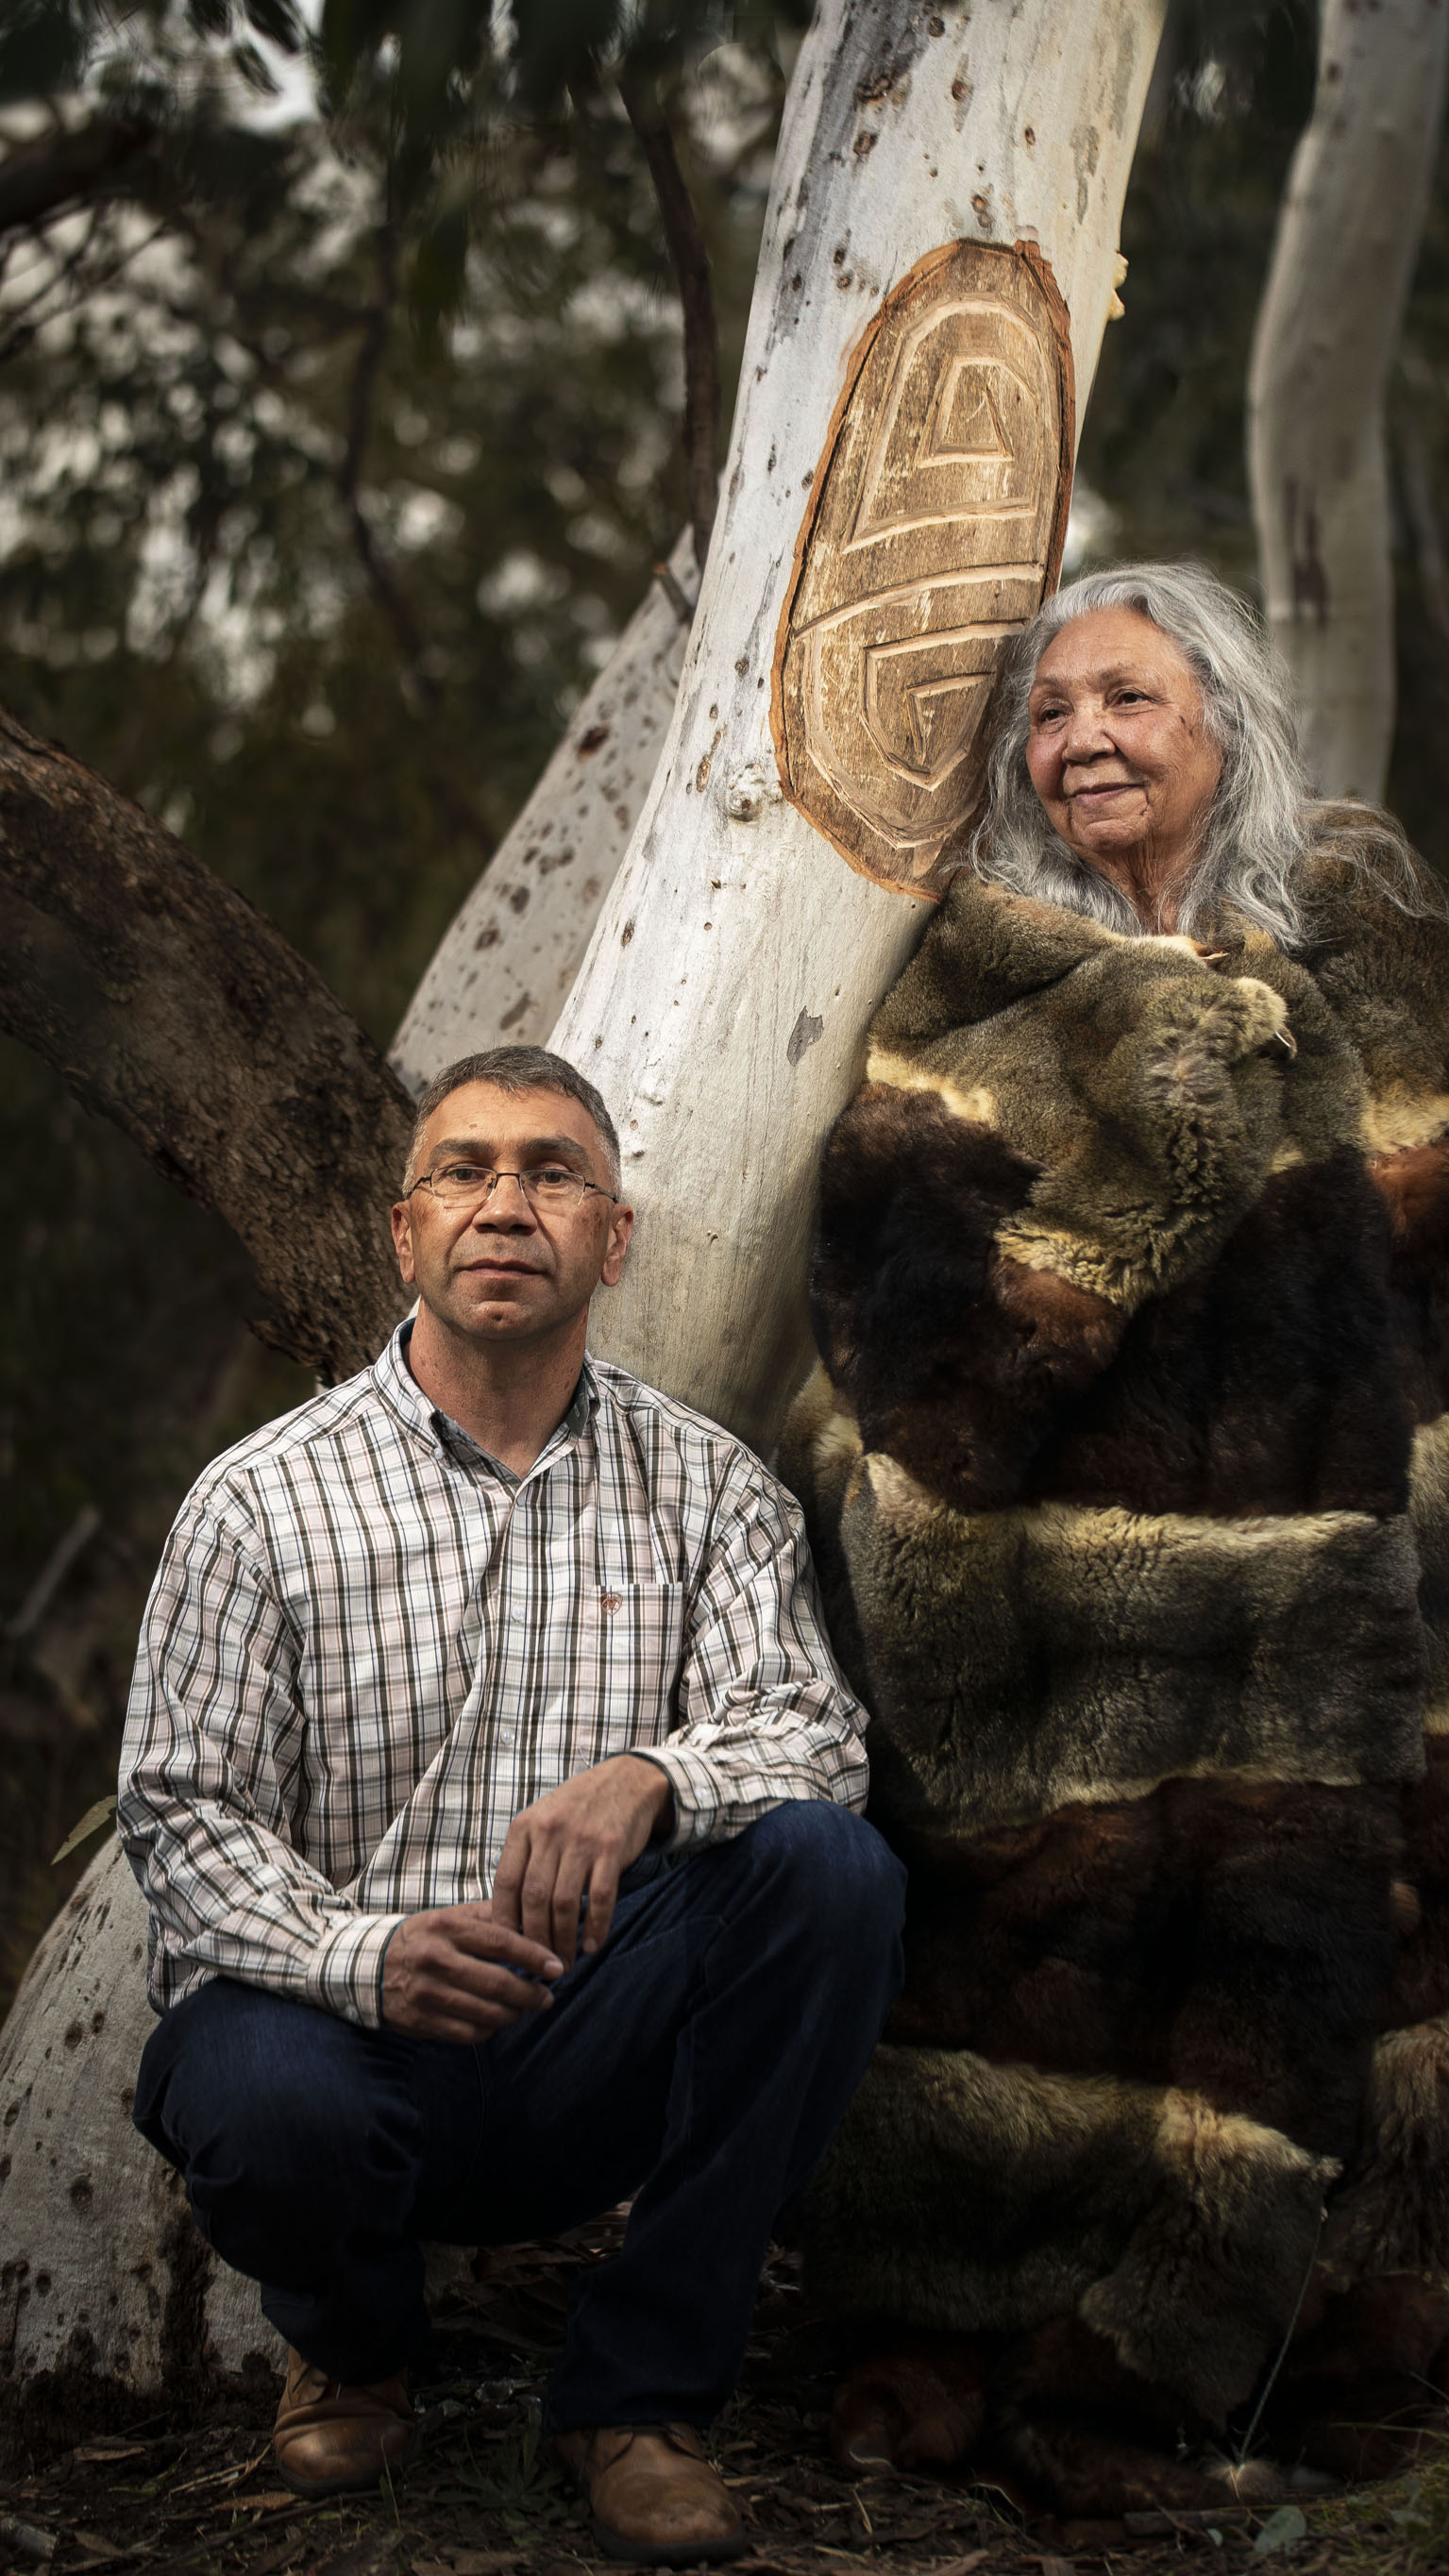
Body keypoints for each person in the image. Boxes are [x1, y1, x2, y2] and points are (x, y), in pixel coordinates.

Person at [779, 565, 1449, 2505]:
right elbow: (893, 1292)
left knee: (1344, 1965)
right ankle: (992, 2358)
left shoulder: (1350, 943)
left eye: (1128, 699)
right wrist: (1149, 1144)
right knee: (1046, 1975)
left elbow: (1408, 1241)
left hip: (1350, 1581)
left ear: (1224, 723)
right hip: (1077, 1605)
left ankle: (1305, 2356)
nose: (1082, 737)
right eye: (1048, 712)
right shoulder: (983, 979)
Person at [119, 1042, 905, 2563]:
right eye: (465, 1172)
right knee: (249, 2085)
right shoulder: (258, 1502)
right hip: (339, 2047)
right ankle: (355, 2345)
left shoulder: (711, 1488)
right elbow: (182, 1817)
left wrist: (655, 1779)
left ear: (613, 1239)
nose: (505, 1204)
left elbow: (817, 1736)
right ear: (403, 1233)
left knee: (832, 1871)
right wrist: (367, 1956)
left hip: (593, 2042)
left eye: (552, 1173)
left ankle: (638, 2397)